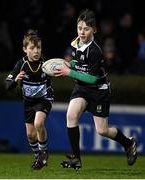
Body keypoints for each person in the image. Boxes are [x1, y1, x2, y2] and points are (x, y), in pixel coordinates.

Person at [54, 9, 137, 169]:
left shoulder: (95, 50)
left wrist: (69, 72)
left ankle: (128, 143)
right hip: (82, 87)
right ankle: (76, 158)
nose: (82, 32)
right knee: (71, 114)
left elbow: (92, 78)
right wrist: (68, 65)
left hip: (99, 90)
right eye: (80, 28)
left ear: (94, 30)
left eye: (86, 29)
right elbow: (78, 64)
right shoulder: (75, 43)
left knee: (102, 130)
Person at [6, 29, 54, 170]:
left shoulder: (46, 65)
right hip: (28, 102)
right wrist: (15, 80)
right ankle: (38, 158)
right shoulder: (21, 64)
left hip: (44, 98)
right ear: (25, 49)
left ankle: (44, 153)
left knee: (39, 123)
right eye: (32, 48)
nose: (36, 51)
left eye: (38, 47)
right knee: (30, 135)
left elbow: (57, 70)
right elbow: (8, 85)